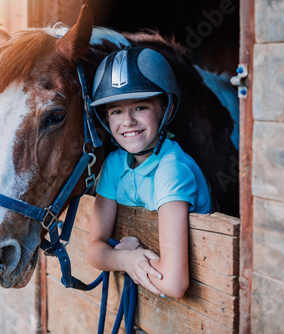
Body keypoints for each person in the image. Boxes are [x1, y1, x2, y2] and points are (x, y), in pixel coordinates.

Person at [86, 47, 213, 299]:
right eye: (116, 111)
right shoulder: (114, 164)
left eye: (141, 107)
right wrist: (125, 258)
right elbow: (92, 249)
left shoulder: (172, 170)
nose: (128, 121)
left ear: (166, 108)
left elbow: (175, 284)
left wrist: (131, 259)